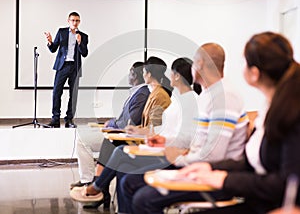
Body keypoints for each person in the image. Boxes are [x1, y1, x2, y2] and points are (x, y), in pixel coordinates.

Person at [132, 32, 300, 214]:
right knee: (133, 183)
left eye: (244, 62)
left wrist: (218, 175)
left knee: (143, 197)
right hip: (242, 185)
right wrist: (173, 146)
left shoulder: (227, 98)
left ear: (254, 73)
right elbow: (248, 162)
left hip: (260, 199)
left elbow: (284, 181)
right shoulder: (266, 107)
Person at [120, 42, 250, 214]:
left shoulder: (224, 97)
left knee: (144, 199)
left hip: (213, 176)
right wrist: (165, 141)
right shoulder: (207, 95)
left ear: (200, 65)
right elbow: (193, 138)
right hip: (196, 166)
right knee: (129, 181)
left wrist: (179, 160)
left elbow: (214, 155)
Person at [70, 56, 177, 211]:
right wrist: (135, 129)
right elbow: (146, 125)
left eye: (130, 72)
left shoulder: (156, 94)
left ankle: (96, 186)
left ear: (146, 73)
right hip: (144, 139)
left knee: (116, 149)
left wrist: (134, 130)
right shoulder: (153, 93)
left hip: (151, 145)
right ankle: (99, 188)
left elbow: (154, 127)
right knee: (114, 149)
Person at [70, 61, 150, 189]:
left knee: (82, 141)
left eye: (130, 72)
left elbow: (130, 121)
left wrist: (112, 123)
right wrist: (112, 123)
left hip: (124, 137)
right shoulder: (136, 93)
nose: (128, 75)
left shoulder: (141, 94)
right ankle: (88, 180)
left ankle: (89, 181)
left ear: (135, 74)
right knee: (82, 138)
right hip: (118, 132)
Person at [44, 12, 88, 128]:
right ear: (68, 21)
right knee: (56, 92)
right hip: (62, 66)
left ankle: (69, 119)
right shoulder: (62, 32)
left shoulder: (83, 36)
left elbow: (84, 53)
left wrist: (79, 42)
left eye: (77, 20)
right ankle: (55, 119)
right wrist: (50, 41)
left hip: (75, 67)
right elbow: (53, 49)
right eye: (73, 20)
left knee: (73, 95)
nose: (75, 22)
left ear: (79, 22)